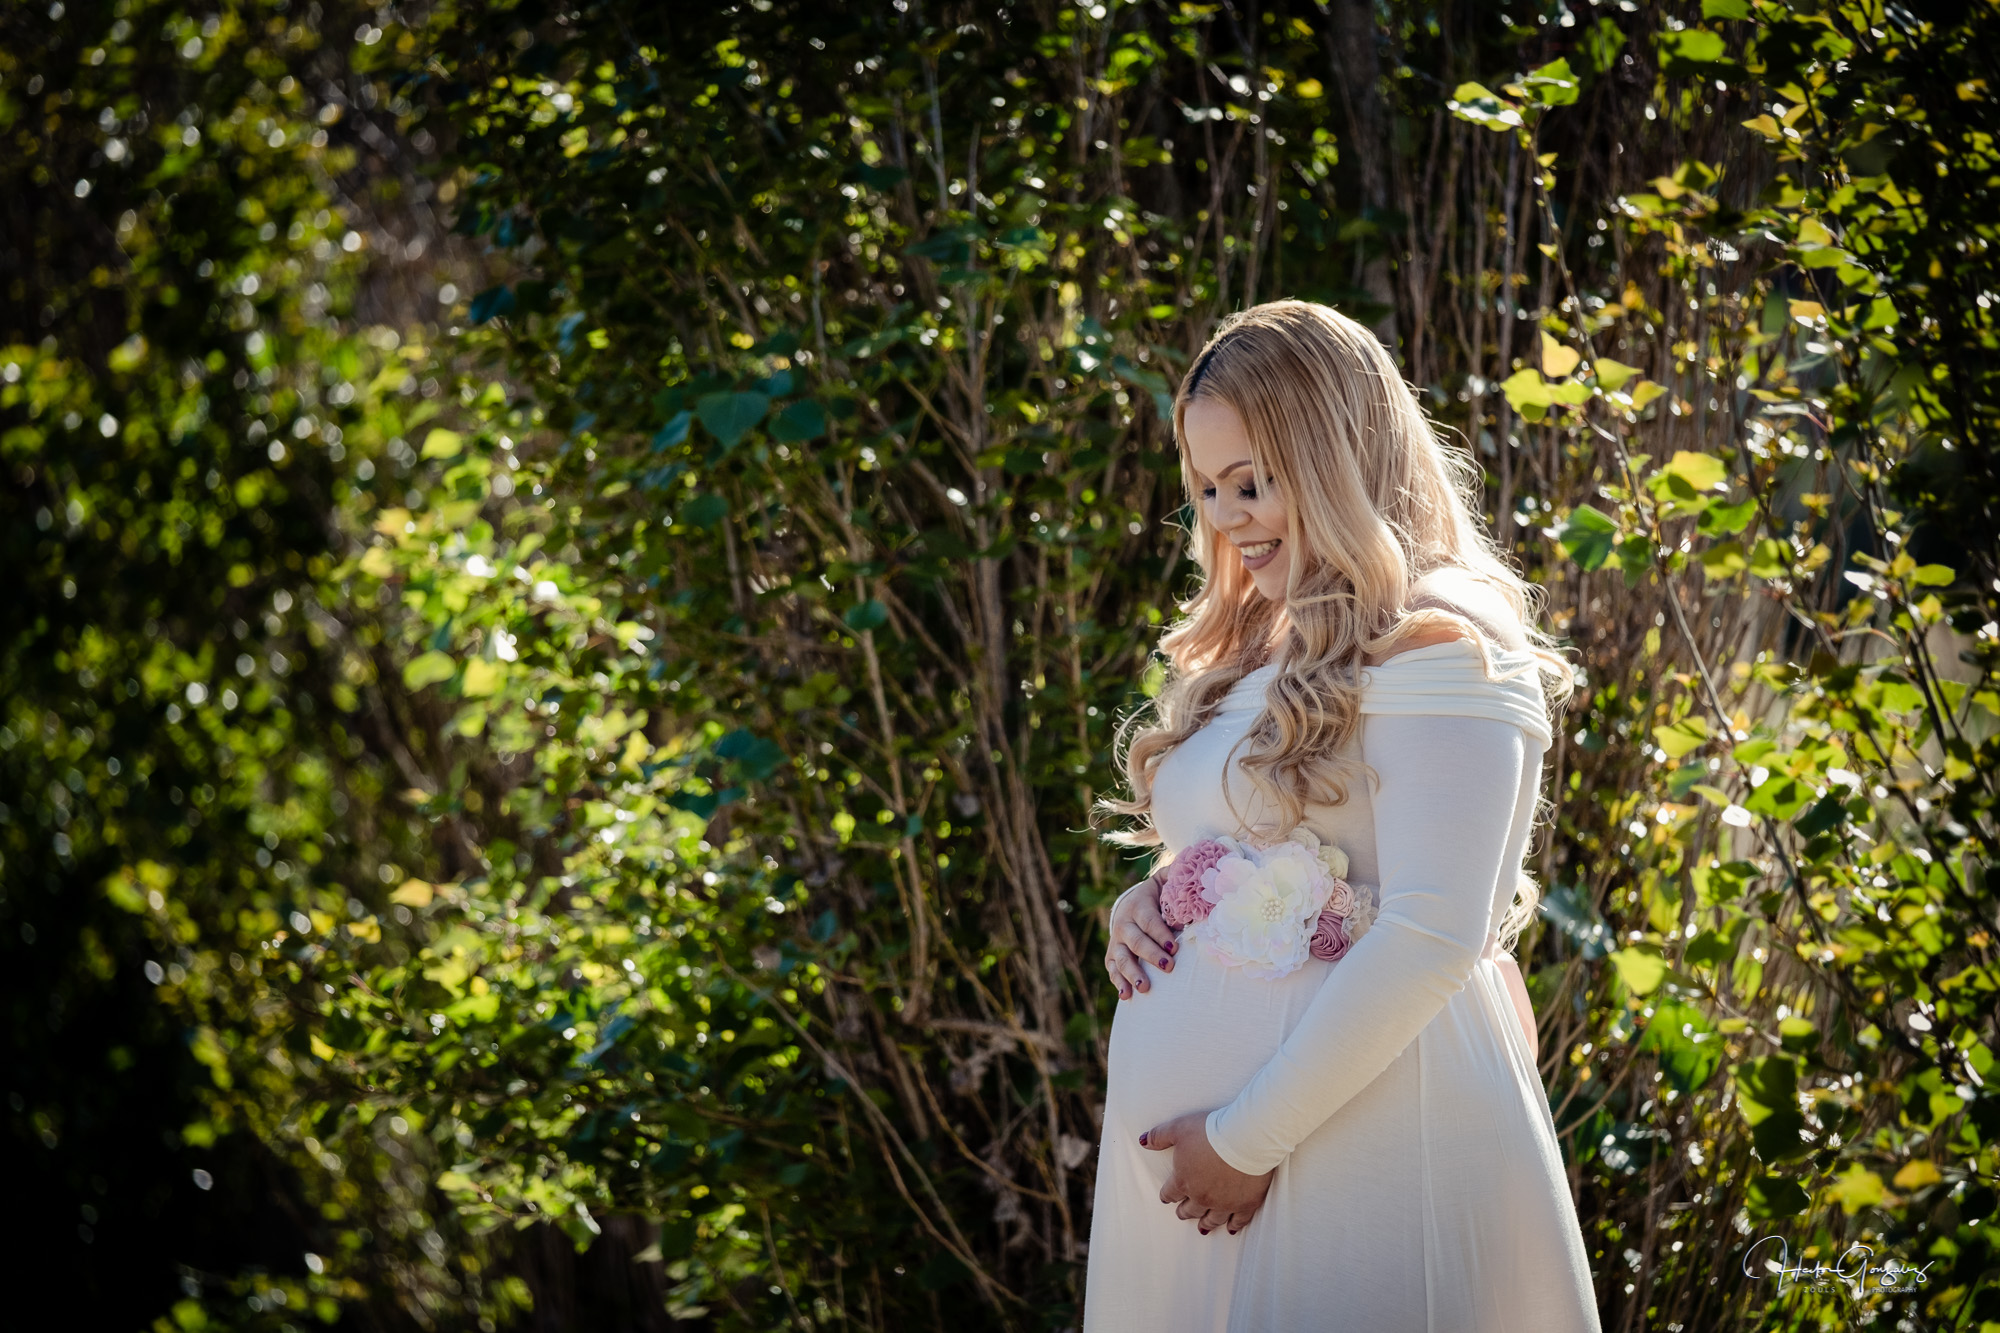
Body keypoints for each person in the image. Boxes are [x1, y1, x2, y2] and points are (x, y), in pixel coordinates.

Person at [1083, 301, 1601, 1331]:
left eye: (1253, 481)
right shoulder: (1265, 641)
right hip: (1212, 1183)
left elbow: (1431, 929)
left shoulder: (1443, 640)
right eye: (1207, 488)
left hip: (1353, 1146)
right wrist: (1158, 897)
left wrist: (1242, 1142)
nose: (1227, 517)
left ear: (1335, 457)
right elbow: (1284, 834)